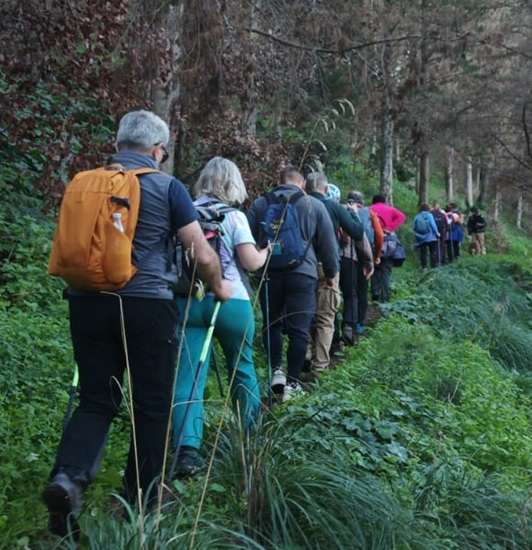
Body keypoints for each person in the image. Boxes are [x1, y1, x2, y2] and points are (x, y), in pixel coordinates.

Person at [43, 110, 233, 538]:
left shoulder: (85, 183)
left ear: (118, 142)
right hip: (147, 306)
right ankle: (141, 503)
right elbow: (201, 253)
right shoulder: (168, 187)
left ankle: (68, 480)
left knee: (96, 399)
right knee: (151, 404)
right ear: (157, 150)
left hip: (86, 302)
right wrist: (219, 287)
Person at [171, 157, 269, 478]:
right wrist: (267, 251)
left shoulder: (184, 212)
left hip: (188, 300)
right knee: (241, 368)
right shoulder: (234, 216)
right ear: (232, 183)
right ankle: (251, 437)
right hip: (232, 302)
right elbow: (250, 262)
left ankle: (186, 451)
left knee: (189, 377)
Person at [248, 166, 338, 400]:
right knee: (299, 328)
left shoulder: (261, 204)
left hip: (269, 272)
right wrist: (330, 274)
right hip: (303, 273)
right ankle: (293, 383)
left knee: (272, 323)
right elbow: (328, 245)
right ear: (303, 185)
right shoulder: (313, 205)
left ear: (279, 181)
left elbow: (248, 239)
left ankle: (276, 370)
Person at [304, 174, 370, 370]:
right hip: (327, 266)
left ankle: (305, 352)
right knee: (325, 317)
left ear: (306, 188)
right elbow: (357, 232)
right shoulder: (335, 207)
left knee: (304, 312)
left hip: (301, 266)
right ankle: (321, 366)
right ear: (326, 190)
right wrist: (353, 213)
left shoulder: (300, 204)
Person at [344, 190, 382, 340]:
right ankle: (358, 323)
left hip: (344, 254)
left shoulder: (341, 209)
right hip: (364, 255)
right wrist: (376, 256)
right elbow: (379, 236)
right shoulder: (369, 213)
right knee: (361, 290)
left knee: (348, 290)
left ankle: (345, 324)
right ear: (362, 202)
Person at [369, 193, 406, 302]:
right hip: (388, 243)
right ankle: (385, 297)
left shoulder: (369, 209)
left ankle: (375, 292)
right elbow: (402, 216)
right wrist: (389, 227)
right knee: (386, 270)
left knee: (374, 268)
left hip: (373, 241)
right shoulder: (390, 210)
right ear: (384, 201)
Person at [413, 203, 440, 270]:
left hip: (421, 237)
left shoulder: (417, 216)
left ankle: (424, 267)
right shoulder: (429, 215)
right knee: (433, 251)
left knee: (423, 252)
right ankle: (433, 266)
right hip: (431, 236)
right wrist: (437, 233)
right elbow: (433, 225)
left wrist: (417, 234)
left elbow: (414, 227)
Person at [429, 201, 450, 266]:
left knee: (432, 247)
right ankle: (440, 261)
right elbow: (447, 224)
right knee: (441, 247)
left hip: (432, 232)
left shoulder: (430, 213)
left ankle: (433, 262)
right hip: (442, 232)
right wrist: (447, 232)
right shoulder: (443, 214)